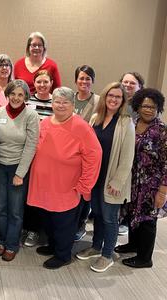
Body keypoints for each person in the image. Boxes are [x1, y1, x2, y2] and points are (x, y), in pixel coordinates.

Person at [27, 87, 102, 269]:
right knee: (48, 219)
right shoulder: (45, 123)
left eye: (65, 102)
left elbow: (94, 156)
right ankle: (53, 246)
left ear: (73, 105)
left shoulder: (81, 127)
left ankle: (63, 255)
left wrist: (85, 185)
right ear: (52, 103)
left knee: (63, 223)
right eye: (57, 102)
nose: (60, 105)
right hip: (43, 185)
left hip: (66, 187)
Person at [76, 82, 135, 273]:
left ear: (122, 100)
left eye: (118, 97)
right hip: (96, 177)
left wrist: (118, 181)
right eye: (111, 95)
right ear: (104, 97)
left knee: (110, 218)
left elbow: (127, 156)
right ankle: (96, 247)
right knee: (98, 215)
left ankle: (107, 255)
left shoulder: (126, 122)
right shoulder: (95, 118)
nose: (113, 99)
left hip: (112, 179)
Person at [115, 88, 167, 268]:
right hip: (133, 181)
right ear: (137, 106)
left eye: (153, 107)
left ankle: (145, 258)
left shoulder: (162, 131)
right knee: (133, 215)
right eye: (145, 106)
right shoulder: (132, 123)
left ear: (158, 108)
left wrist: (162, 191)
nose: (148, 110)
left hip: (151, 185)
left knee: (147, 220)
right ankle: (133, 245)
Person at [0, 80, 39, 261]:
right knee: (0, 208)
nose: (16, 98)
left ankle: (12, 244)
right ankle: (2, 240)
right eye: (13, 94)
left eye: (20, 94)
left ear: (26, 96)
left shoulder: (31, 115)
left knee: (15, 210)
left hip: (18, 168)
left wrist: (20, 173)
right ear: (7, 94)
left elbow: (31, 145)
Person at [22, 69, 54, 248]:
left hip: (48, 157)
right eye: (39, 82)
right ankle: (28, 227)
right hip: (29, 155)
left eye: (45, 82)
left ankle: (38, 230)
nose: (42, 85)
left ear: (51, 83)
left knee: (42, 194)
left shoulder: (56, 104)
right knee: (27, 194)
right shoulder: (28, 103)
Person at [73, 65, 100, 241]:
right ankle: (71, 221)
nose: (84, 81)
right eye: (81, 78)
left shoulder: (99, 101)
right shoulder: (69, 98)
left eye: (88, 78)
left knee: (85, 190)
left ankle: (81, 222)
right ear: (76, 80)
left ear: (92, 81)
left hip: (88, 151)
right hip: (69, 151)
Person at [118, 71, 145, 235]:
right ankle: (119, 216)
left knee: (132, 188)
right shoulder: (118, 100)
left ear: (140, 87)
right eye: (125, 82)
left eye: (132, 83)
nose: (127, 85)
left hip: (137, 152)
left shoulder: (143, 105)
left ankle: (126, 221)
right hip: (119, 149)